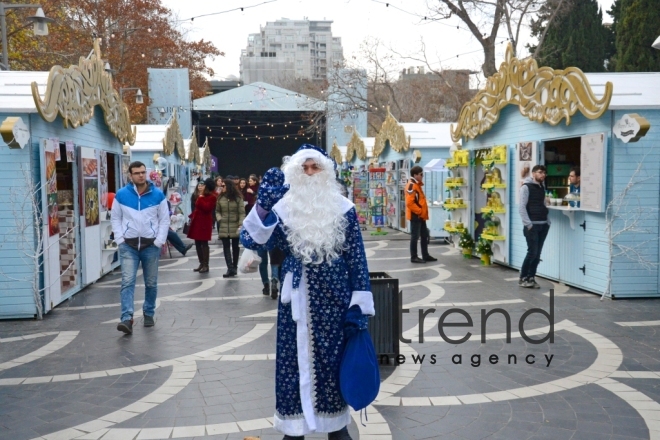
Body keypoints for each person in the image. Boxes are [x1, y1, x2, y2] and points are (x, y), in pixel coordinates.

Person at [241, 144, 374, 440]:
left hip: (336, 300)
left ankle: (336, 426)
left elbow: (356, 258)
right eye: (305, 168)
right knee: (293, 363)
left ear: (326, 172)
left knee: (332, 364)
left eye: (316, 167)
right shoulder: (285, 207)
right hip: (296, 303)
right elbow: (250, 238)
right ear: (295, 172)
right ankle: (294, 429)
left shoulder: (343, 208)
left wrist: (359, 303)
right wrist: (262, 206)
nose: (311, 173)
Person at [111, 161, 170, 334]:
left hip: (150, 245)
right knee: (127, 282)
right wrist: (119, 238)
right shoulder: (121, 195)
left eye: (143, 172)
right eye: (137, 173)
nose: (141, 175)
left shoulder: (157, 195)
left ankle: (149, 312)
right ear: (130, 175)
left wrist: (159, 241)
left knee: (151, 283)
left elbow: (164, 220)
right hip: (128, 245)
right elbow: (115, 217)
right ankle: (126, 318)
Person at [519, 165, 551, 289]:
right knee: (532, 252)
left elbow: (543, 204)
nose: (543, 175)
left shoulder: (541, 187)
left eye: (544, 173)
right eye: (540, 172)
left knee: (537, 254)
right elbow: (521, 207)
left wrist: (548, 221)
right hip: (532, 226)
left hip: (543, 225)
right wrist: (528, 224)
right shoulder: (526, 188)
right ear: (533, 174)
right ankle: (523, 277)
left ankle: (531, 277)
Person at [405, 165, 437, 264]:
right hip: (416, 215)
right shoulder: (411, 185)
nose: (422, 176)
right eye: (421, 174)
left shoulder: (416, 184)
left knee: (424, 235)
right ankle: (414, 257)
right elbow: (410, 203)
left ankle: (425, 255)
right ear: (415, 175)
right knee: (415, 236)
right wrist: (419, 211)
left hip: (420, 215)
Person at [187, 178, 218, 273]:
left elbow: (207, 208)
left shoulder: (212, 196)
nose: (201, 187)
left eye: (203, 185)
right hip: (197, 221)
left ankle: (206, 264)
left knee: (204, 243)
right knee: (197, 243)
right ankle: (201, 263)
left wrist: (200, 199)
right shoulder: (201, 195)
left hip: (205, 222)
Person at [216, 179, 246, 278]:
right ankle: (230, 268)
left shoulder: (238, 198)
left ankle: (235, 267)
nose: (222, 187)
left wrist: (240, 223)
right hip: (224, 225)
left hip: (235, 225)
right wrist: (220, 219)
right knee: (226, 247)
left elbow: (242, 212)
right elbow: (217, 211)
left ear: (228, 186)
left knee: (235, 247)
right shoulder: (220, 198)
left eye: (223, 186)